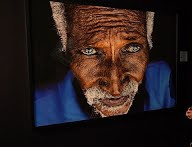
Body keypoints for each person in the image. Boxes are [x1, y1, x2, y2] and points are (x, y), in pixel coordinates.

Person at [34, 1, 176, 127]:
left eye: (132, 48)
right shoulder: (41, 111)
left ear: (148, 44)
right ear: (66, 51)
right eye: (90, 51)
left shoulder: (163, 82)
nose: (115, 88)